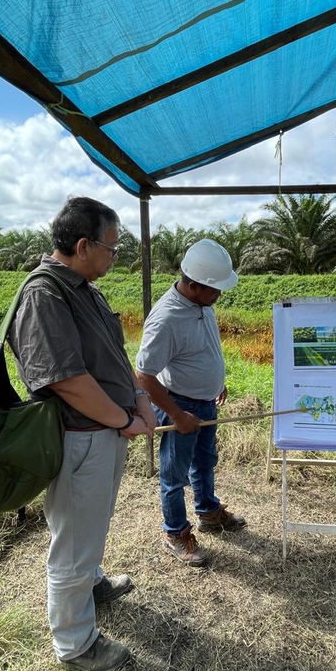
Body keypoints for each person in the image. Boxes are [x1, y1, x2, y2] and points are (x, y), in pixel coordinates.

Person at [8, 197, 155, 671]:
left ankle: (92, 583)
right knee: (71, 542)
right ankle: (75, 643)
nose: (115, 258)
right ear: (83, 244)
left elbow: (112, 354)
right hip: (81, 437)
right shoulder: (45, 295)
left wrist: (139, 398)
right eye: (111, 249)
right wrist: (122, 419)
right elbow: (65, 380)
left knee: (91, 524)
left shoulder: (84, 289)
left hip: (105, 433)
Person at [136, 239, 247, 566]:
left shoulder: (203, 305)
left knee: (205, 461)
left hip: (204, 402)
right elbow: (144, 376)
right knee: (174, 475)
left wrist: (216, 381)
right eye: (215, 289)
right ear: (195, 285)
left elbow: (203, 348)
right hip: (180, 405)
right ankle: (175, 533)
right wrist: (176, 413)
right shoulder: (166, 318)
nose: (220, 295)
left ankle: (209, 511)